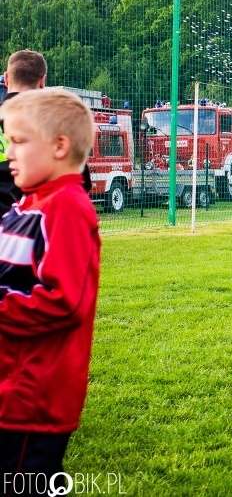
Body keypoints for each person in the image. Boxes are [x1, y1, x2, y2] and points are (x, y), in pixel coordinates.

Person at [0, 88, 101, 494]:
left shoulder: (66, 208)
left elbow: (64, 301)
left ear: (60, 146)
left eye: (19, 142)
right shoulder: (25, 206)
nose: (10, 152)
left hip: (32, 398)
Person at [0, 50, 92, 216]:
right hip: (37, 225)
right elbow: (80, 181)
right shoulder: (56, 122)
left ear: (6, 78)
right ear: (43, 81)